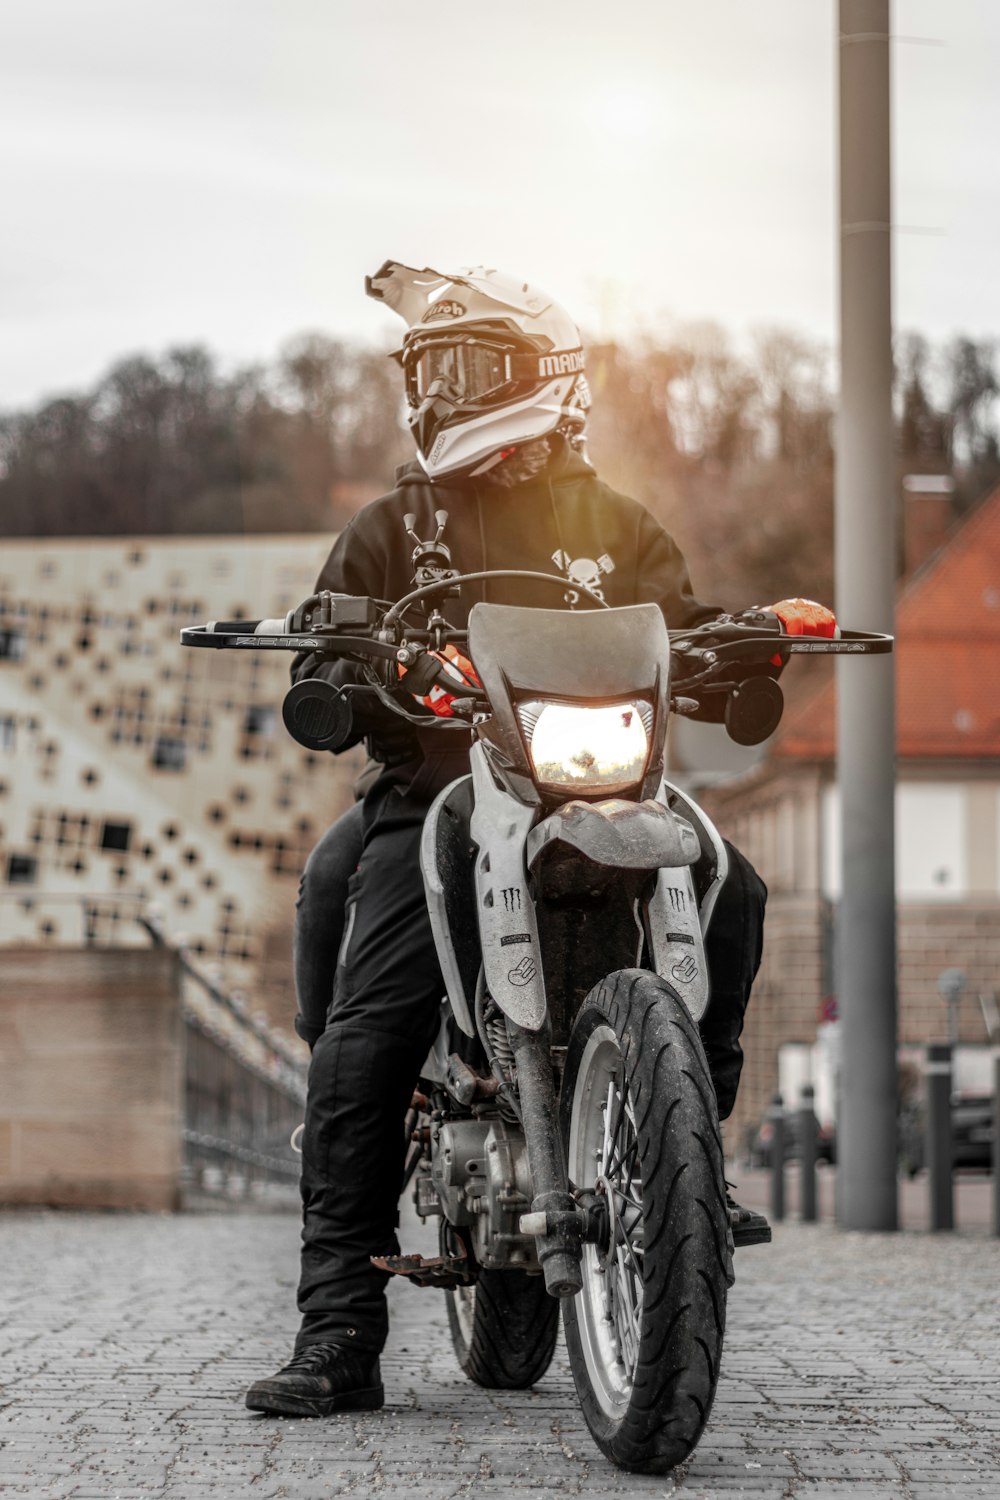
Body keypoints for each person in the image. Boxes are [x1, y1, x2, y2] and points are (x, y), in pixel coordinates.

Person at [246, 262, 835, 1419]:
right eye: (431, 371)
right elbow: (323, 646)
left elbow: (684, 623)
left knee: (738, 889)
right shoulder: (395, 525)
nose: (443, 391)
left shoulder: (614, 524)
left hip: (604, 789)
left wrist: (748, 640)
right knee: (365, 1038)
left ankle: (684, 1164)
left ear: (542, 378)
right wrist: (348, 670)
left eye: (468, 368)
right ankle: (337, 1330)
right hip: (439, 798)